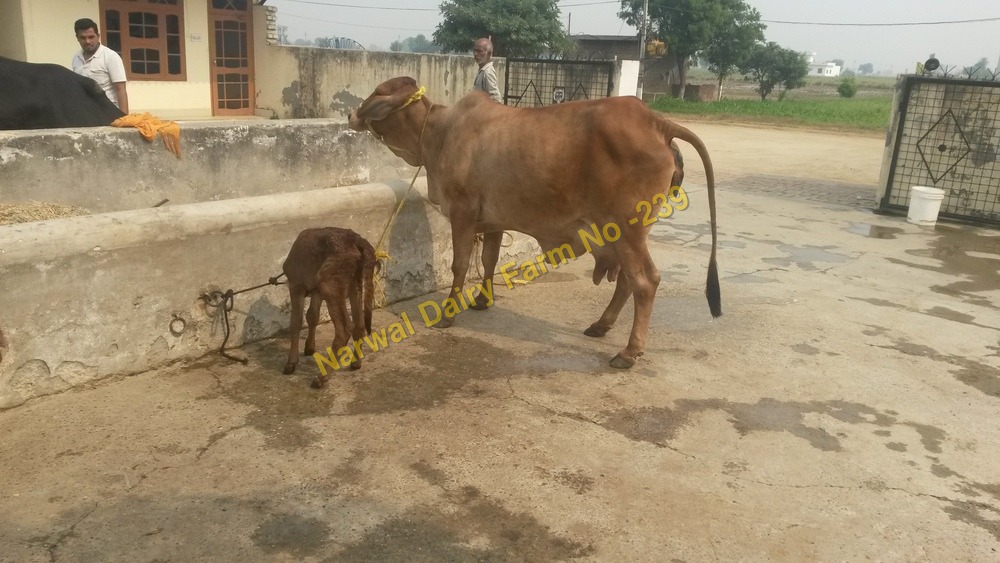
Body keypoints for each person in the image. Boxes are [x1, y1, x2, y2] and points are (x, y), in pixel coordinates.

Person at [71, 18, 129, 114]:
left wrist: (125, 119)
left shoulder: (110, 56)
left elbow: (121, 89)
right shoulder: (76, 58)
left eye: (91, 37)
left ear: (98, 36)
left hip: (109, 112)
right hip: (86, 112)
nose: (88, 41)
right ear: (77, 38)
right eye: (83, 38)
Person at [472, 37, 502, 103]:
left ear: (489, 54)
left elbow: (496, 99)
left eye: (479, 51)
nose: (475, 54)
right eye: (475, 51)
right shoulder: (482, 70)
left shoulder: (488, 72)